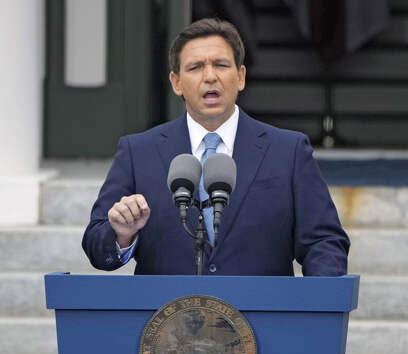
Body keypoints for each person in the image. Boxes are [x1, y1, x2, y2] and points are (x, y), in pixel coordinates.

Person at [82, 18, 349, 276]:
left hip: (260, 307)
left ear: (240, 77)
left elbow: (324, 241)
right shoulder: (138, 151)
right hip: (168, 308)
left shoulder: (288, 151)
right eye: (195, 67)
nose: (210, 77)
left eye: (221, 65)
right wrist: (121, 235)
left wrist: (320, 299)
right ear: (176, 82)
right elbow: (96, 246)